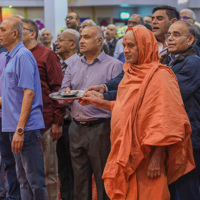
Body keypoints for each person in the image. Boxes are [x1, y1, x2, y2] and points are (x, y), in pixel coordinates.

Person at [80, 26, 195, 200]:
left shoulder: (161, 75)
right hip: (125, 152)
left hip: (147, 156)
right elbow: (127, 109)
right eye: (125, 45)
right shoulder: (130, 72)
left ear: (145, 46)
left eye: (132, 45)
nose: (126, 50)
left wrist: (156, 157)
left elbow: (166, 120)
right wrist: (99, 102)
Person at [60, 25, 123, 200]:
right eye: (81, 37)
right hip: (75, 127)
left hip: (101, 127)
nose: (81, 41)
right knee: (79, 179)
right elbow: (63, 91)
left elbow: (118, 98)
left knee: (104, 176)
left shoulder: (115, 65)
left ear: (99, 41)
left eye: (87, 37)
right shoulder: (73, 64)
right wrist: (66, 95)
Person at [0, 18, 47, 200]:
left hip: (25, 128)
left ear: (14, 34)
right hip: (13, 127)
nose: (0, 33)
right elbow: (13, 96)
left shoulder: (23, 55)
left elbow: (29, 93)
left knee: (35, 181)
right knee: (23, 180)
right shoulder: (10, 56)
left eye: (3, 30)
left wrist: (20, 129)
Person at [21, 18, 65, 200]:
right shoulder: (16, 55)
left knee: (48, 171)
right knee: (25, 172)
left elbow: (57, 90)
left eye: (20, 29)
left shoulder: (46, 55)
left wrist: (57, 121)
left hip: (45, 121)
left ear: (33, 33)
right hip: (23, 122)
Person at [161, 20, 200, 200]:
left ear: (190, 39)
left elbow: (170, 93)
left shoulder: (193, 62)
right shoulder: (170, 60)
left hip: (190, 136)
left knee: (187, 189)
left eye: (176, 35)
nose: (170, 38)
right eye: (169, 34)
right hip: (176, 134)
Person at [55, 29, 80, 200]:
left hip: (75, 123)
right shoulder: (57, 63)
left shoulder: (79, 64)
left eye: (61, 40)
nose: (57, 43)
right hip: (60, 122)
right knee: (63, 169)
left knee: (76, 169)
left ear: (72, 44)